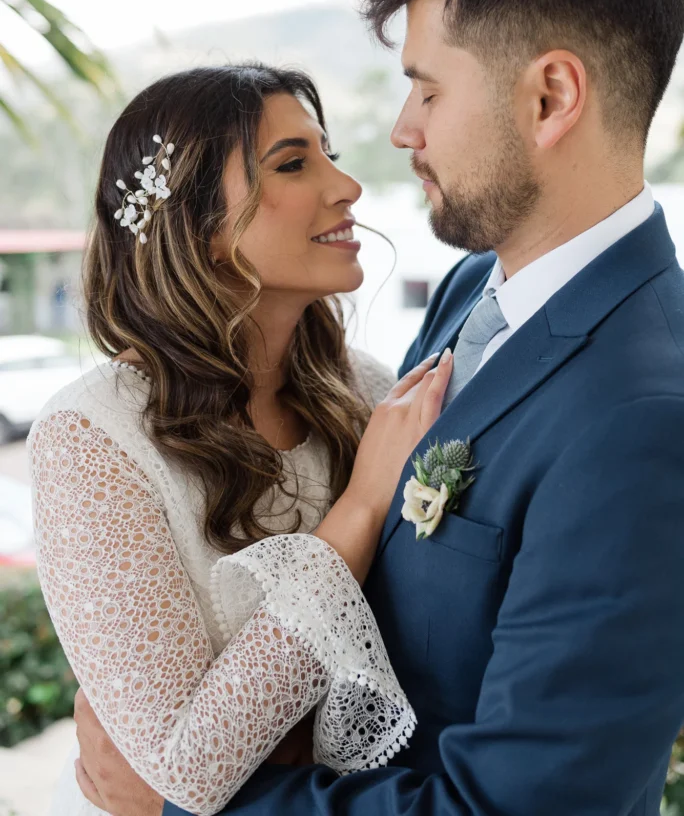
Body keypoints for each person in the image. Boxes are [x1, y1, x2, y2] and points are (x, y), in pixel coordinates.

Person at [73, 0, 684, 816]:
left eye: (427, 90)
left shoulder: (642, 417)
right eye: (295, 160)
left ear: (552, 96)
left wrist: (178, 809)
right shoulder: (471, 291)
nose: (393, 139)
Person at [29, 64, 455, 815]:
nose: (346, 185)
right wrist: (356, 512)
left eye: (328, 153)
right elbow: (188, 770)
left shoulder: (368, 391)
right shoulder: (90, 441)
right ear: (200, 229)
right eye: (294, 163)